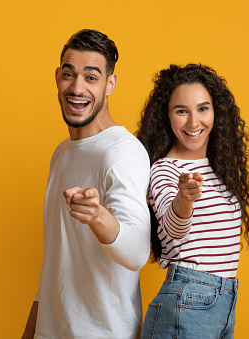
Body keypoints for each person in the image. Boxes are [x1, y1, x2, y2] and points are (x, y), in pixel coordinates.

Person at [21, 29, 151, 339]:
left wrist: (98, 217)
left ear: (110, 84)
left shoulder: (122, 153)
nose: (77, 87)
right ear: (57, 77)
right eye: (69, 74)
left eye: (91, 77)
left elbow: (136, 253)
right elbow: (56, 260)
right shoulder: (62, 153)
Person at [136, 64, 249, 339]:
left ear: (216, 112)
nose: (193, 123)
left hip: (223, 302)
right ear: (167, 116)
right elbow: (171, 233)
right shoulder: (165, 169)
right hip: (189, 299)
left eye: (203, 109)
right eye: (181, 111)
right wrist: (183, 199)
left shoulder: (221, 169)